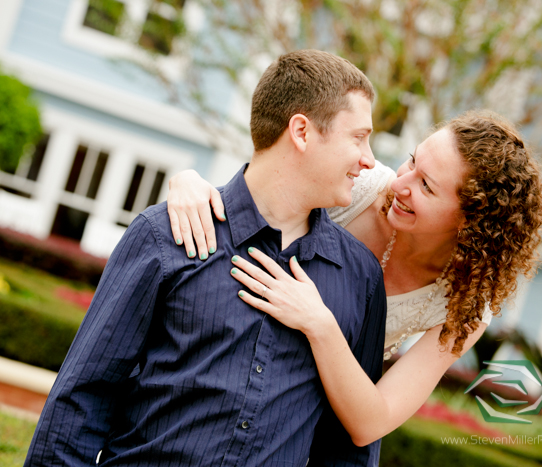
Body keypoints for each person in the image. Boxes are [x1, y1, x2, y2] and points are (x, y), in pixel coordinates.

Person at [24, 49, 387, 466]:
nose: (369, 159)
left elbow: (347, 451)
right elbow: (83, 398)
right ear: (302, 132)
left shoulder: (359, 277)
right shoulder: (164, 235)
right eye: (358, 137)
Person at [167, 109, 542, 445]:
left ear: (471, 223)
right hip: (226, 368)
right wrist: (189, 182)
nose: (400, 184)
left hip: (303, 423)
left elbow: (372, 423)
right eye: (412, 161)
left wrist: (320, 324)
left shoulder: (465, 306)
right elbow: (260, 186)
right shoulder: (360, 188)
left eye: (426, 186)